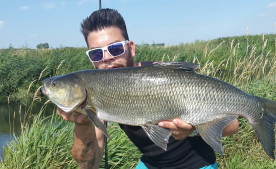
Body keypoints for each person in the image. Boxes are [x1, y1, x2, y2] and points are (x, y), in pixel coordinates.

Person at [57, 8, 239, 169]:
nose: (107, 58)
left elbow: (233, 126)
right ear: (92, 60)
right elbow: (89, 165)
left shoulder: (163, 75)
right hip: (151, 164)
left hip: (197, 163)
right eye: (96, 53)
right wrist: (82, 124)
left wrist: (195, 127)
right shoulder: (97, 90)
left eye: (115, 49)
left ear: (131, 48)